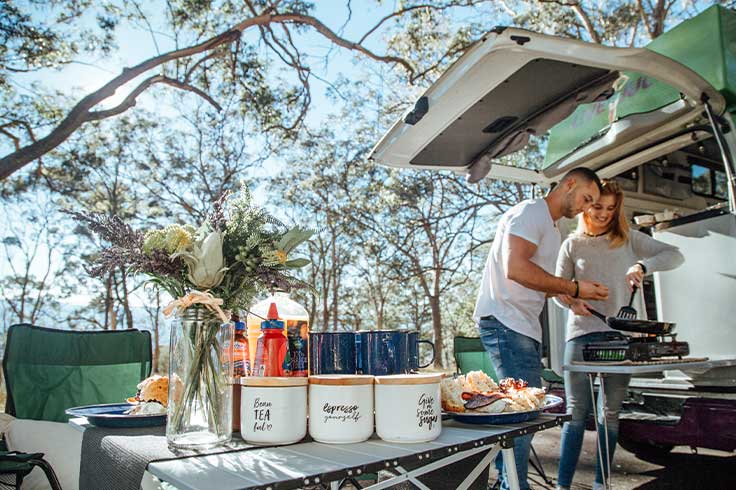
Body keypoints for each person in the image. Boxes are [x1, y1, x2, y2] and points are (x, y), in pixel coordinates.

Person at [473, 167, 609, 490]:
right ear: (570, 184)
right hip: (507, 322)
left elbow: (539, 281)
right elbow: (516, 268)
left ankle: (506, 481)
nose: (587, 208)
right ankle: (513, 485)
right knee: (524, 416)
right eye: (587, 199)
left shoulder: (553, 230)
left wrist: (569, 299)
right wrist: (574, 287)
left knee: (519, 415)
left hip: (522, 326)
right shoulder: (531, 211)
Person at [554, 179, 684, 490]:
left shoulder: (629, 240)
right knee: (575, 413)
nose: (603, 214)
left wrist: (643, 265)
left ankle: (602, 483)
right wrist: (573, 301)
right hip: (582, 334)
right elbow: (558, 290)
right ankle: (562, 486)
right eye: (598, 207)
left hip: (620, 338)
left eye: (611, 209)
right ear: (587, 205)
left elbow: (675, 255)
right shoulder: (572, 244)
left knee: (609, 414)